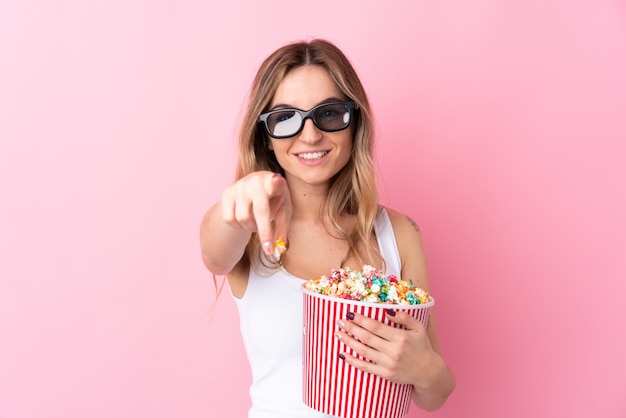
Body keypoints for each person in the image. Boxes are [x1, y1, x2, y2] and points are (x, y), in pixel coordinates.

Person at [200, 39, 455, 417]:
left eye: (330, 113)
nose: (310, 135)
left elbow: (433, 394)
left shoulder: (398, 234)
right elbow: (215, 253)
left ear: (355, 123)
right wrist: (237, 204)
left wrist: (427, 370)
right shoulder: (248, 229)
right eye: (285, 118)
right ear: (265, 135)